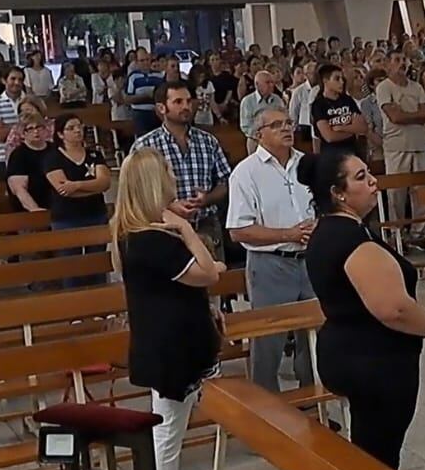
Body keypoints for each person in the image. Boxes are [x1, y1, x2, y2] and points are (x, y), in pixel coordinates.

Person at [307, 148, 425, 470]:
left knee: (371, 445)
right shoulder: (351, 240)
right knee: (380, 453)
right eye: (361, 177)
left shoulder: (326, 232)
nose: (373, 182)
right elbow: (392, 309)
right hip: (375, 360)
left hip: (350, 350)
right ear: (338, 193)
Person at [112, 148, 223, 470]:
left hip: (170, 341)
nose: (174, 178)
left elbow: (200, 272)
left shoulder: (138, 235)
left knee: (170, 431)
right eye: (168, 173)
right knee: (167, 435)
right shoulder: (153, 240)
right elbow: (208, 274)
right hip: (171, 348)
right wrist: (189, 232)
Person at [226, 108, 318, 392]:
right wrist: (288, 234)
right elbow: (238, 230)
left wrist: (319, 225)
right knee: (268, 341)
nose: (286, 128)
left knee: (316, 338)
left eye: (288, 122)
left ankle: (313, 403)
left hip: (312, 260)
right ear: (259, 134)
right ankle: (267, 411)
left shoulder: (308, 165)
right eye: (276, 125)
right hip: (270, 264)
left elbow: (329, 206)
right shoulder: (246, 172)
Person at [132, 83, 232, 254]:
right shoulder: (145, 146)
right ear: (161, 108)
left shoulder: (208, 141)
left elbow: (225, 181)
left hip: (206, 226)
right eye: (178, 102)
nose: (186, 107)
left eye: (188, 101)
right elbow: (136, 192)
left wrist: (206, 198)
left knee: (215, 276)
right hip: (165, 228)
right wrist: (169, 206)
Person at [377, 52, 425, 251]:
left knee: (421, 191)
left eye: (403, 60)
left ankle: (418, 232)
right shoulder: (384, 87)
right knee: (397, 192)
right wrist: (417, 116)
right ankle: (397, 234)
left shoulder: (417, 87)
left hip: (419, 145)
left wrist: (412, 115)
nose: (402, 63)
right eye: (396, 60)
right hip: (397, 146)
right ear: (388, 65)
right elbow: (395, 116)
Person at [44, 113, 112, 285]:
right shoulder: (52, 157)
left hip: (95, 215)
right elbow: (64, 190)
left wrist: (76, 185)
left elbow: (104, 183)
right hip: (66, 218)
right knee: (71, 267)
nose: (77, 131)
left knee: (97, 264)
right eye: (71, 128)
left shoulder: (94, 155)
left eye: (79, 126)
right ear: (60, 134)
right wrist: (90, 187)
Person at [5, 105, 55, 213]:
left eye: (39, 127)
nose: (36, 132)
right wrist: (35, 210)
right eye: (30, 129)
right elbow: (19, 189)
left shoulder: (55, 149)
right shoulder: (18, 155)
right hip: (29, 210)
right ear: (23, 134)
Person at [311, 63, 365, 151]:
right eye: (337, 79)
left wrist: (341, 128)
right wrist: (352, 131)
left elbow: (362, 127)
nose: (342, 82)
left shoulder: (347, 100)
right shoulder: (318, 104)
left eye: (342, 78)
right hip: (331, 154)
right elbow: (329, 136)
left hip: (352, 151)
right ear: (325, 81)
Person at [0, 67, 30, 164]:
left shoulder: (32, 101)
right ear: (4, 80)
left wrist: (8, 127)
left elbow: (38, 128)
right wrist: (23, 125)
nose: (17, 83)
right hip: (6, 157)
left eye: (20, 80)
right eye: (13, 79)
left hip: (32, 153)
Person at [239, 69, 286, 155]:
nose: (271, 85)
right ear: (257, 84)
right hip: (256, 140)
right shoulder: (247, 101)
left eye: (272, 82)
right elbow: (246, 126)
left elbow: (284, 117)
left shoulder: (277, 100)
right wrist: (263, 136)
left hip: (275, 137)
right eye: (268, 82)